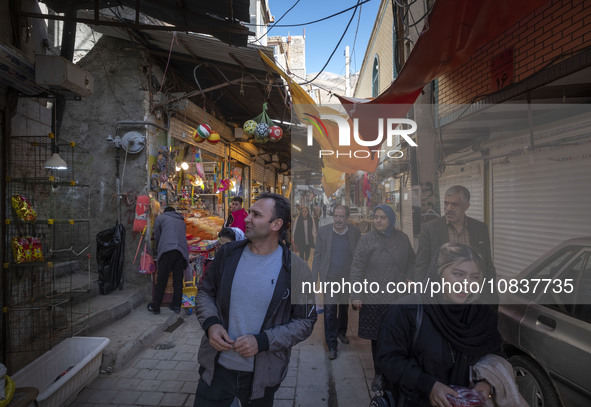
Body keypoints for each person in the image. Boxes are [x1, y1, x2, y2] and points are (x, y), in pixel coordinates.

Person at [194, 193, 317, 407]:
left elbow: (305, 321)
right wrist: (211, 324)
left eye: (256, 214)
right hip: (216, 369)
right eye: (249, 212)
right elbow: (205, 292)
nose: (247, 218)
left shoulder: (295, 269)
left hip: (261, 376)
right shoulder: (227, 255)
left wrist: (263, 342)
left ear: (276, 224)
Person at [376, 243, 522, 407]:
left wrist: (487, 383)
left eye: (474, 277)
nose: (467, 283)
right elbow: (388, 358)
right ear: (439, 274)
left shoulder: (482, 313)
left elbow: (495, 354)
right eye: (458, 274)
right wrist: (429, 385)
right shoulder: (407, 311)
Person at [350, 204, 415, 391]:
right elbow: (357, 268)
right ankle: (380, 374)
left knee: (400, 336)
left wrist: (410, 278)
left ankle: (397, 372)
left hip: (399, 297)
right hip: (374, 297)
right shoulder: (367, 240)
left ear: (391, 219)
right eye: (375, 217)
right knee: (378, 338)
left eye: (382, 217)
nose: (378, 220)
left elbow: (412, 259)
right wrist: (355, 295)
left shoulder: (402, 238)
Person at [414, 185, 497, 303]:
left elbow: (488, 265)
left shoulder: (480, 229)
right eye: (446, 203)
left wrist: (492, 299)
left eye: (454, 204)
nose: (448, 208)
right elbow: (421, 267)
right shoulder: (430, 229)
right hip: (442, 299)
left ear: (466, 206)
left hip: (473, 299)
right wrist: (422, 299)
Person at [312, 205, 361, 360]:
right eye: (336, 216)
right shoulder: (324, 232)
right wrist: (314, 279)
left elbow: (359, 256)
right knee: (330, 310)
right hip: (330, 278)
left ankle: (342, 332)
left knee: (344, 307)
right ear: (333, 216)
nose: (339, 219)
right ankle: (332, 344)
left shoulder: (354, 232)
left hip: (347, 278)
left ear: (347, 218)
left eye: (342, 216)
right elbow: (318, 255)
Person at [147, 206, 189, 315]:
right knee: (178, 279)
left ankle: (156, 306)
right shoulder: (181, 221)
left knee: (162, 279)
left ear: (165, 212)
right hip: (181, 251)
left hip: (167, 250)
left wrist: (157, 249)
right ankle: (176, 306)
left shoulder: (160, 218)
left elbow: (157, 235)